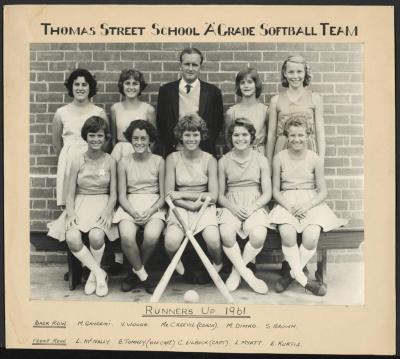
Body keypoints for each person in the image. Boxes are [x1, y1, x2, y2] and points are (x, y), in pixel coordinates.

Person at [268, 116, 347, 296]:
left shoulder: (315, 158)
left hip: (310, 202)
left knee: (311, 237)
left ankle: (291, 274)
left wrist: (307, 205)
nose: (297, 139)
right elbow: (275, 191)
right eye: (292, 135)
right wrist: (289, 206)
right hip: (287, 201)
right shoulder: (279, 158)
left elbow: (323, 191)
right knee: (287, 234)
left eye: (301, 135)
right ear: (287, 136)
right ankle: (303, 279)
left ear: (308, 135)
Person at [48, 116, 118, 297]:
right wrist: (70, 212)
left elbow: (114, 194)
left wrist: (108, 210)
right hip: (80, 203)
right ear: (86, 137)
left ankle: (93, 278)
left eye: (100, 136)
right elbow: (69, 192)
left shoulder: (110, 161)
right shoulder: (77, 159)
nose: (96, 139)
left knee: (96, 236)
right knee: (72, 237)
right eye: (92, 135)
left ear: (105, 137)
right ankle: (99, 274)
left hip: (102, 203)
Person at [164, 113, 222, 284]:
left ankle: (217, 264)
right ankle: (180, 268)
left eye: (195, 134)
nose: (191, 138)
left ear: (201, 135)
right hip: (179, 206)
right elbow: (169, 194)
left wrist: (184, 195)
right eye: (187, 134)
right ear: (180, 136)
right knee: (171, 242)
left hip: (204, 205)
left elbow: (213, 195)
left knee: (213, 239)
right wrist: (186, 204)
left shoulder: (210, 159)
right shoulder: (172, 158)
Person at [218, 119, 271, 294]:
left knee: (258, 235)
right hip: (231, 203)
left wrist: (252, 207)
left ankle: (237, 271)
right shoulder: (223, 161)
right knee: (226, 233)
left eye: (244, 135)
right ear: (230, 137)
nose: (240, 138)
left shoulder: (261, 160)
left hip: (254, 203)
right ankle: (248, 275)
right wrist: (233, 208)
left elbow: (267, 193)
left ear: (252, 137)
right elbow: (219, 194)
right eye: (236, 135)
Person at [113, 120, 165, 294]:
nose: (139, 142)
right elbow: (121, 195)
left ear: (150, 140)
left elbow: (164, 196)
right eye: (135, 138)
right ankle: (144, 276)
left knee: (151, 236)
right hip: (130, 205)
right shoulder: (124, 162)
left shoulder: (159, 161)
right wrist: (133, 212)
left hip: (154, 204)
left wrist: (150, 210)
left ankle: (133, 272)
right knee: (127, 237)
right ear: (130, 139)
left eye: (143, 138)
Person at [52, 68, 108, 207]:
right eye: (76, 84)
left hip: (92, 158)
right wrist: (68, 157)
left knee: (88, 200)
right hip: (69, 161)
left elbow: (106, 142)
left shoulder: (98, 112)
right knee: (69, 202)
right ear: (71, 87)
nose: (80, 88)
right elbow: (57, 145)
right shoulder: (61, 113)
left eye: (84, 84)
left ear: (90, 87)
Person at [156, 47, 224, 157]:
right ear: (180, 65)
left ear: (200, 67)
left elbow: (217, 125)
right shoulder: (166, 91)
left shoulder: (213, 92)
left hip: (203, 152)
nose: (190, 68)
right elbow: (161, 124)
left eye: (195, 65)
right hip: (175, 151)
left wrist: (202, 143)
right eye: (187, 64)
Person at [266, 55, 325, 164]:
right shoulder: (275, 100)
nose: (295, 76)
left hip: (307, 149)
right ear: (285, 73)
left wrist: (320, 160)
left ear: (305, 73)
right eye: (291, 72)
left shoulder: (315, 99)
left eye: (299, 72)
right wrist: (269, 162)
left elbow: (320, 133)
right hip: (282, 150)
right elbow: (271, 135)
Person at [110, 69, 156, 162]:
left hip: (142, 152)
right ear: (122, 85)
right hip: (120, 152)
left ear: (140, 86)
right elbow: (113, 139)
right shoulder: (115, 108)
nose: (131, 87)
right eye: (127, 83)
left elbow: (153, 140)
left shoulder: (148, 109)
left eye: (135, 83)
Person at [224, 68, 268, 155]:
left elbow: (270, 138)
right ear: (239, 86)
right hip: (239, 154)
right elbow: (228, 140)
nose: (246, 86)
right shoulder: (232, 112)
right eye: (242, 83)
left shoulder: (265, 111)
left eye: (250, 82)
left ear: (256, 85)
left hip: (259, 154)